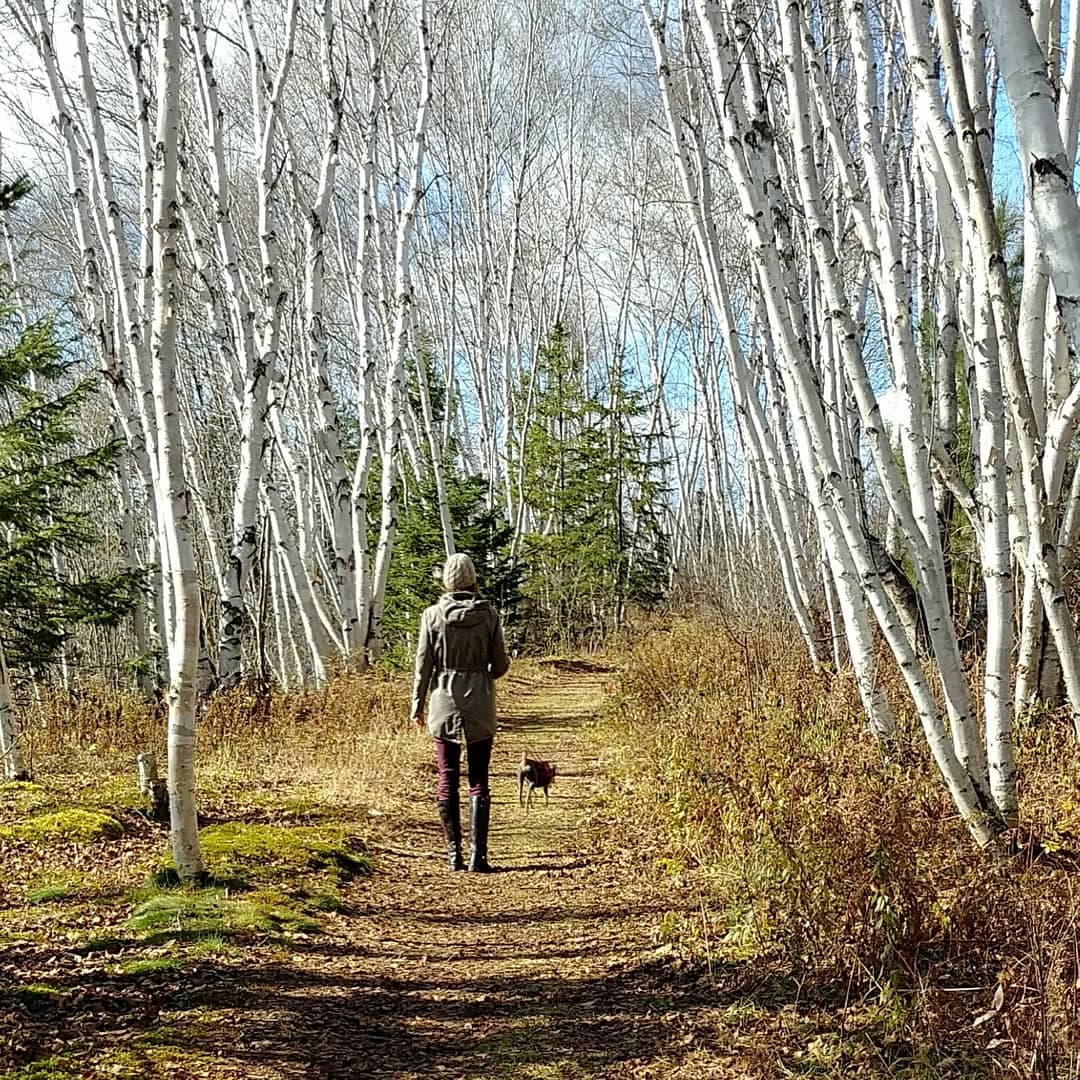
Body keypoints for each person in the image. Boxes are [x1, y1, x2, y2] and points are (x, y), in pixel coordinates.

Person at [411, 552, 511, 872]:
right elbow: (500, 664)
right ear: (473, 580)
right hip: (480, 703)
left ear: (446, 582)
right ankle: (477, 857)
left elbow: (422, 666)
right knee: (479, 779)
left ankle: (453, 854)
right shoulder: (490, 615)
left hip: (442, 701)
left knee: (447, 777)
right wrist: (483, 674)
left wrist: (417, 704)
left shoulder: (431, 616)